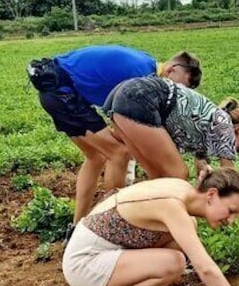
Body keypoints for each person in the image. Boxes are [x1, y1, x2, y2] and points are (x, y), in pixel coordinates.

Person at [63, 167, 239, 286]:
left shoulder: (183, 190)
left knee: (185, 232)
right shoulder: (172, 205)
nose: (232, 220)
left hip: (106, 251)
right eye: (231, 210)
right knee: (174, 263)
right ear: (211, 195)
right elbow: (205, 268)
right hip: (84, 264)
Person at [31, 45, 202, 221]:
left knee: (96, 156)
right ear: (171, 70)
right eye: (176, 85)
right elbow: (122, 124)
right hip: (62, 92)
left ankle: (77, 225)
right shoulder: (142, 78)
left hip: (57, 89)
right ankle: (112, 220)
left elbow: (123, 125)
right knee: (118, 153)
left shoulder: (147, 64)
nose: (174, 91)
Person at [103, 76, 239, 182]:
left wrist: (204, 169)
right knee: (178, 174)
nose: (237, 151)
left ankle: (129, 218)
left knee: (157, 175)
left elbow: (201, 163)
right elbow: (229, 174)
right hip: (140, 98)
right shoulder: (223, 122)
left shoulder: (207, 128)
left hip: (123, 96)